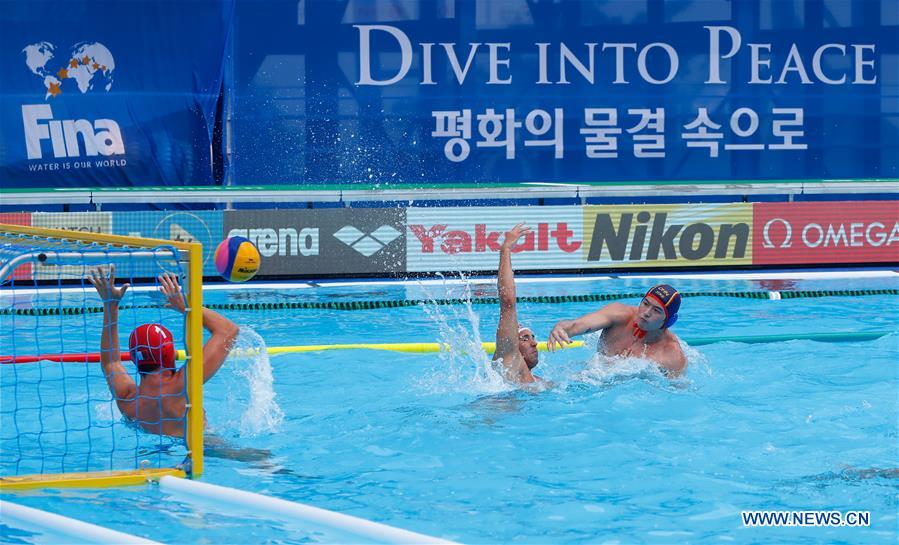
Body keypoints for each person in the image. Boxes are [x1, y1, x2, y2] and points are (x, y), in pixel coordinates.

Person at [89, 266, 240, 436]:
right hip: (205, 448)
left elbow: (111, 361)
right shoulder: (182, 384)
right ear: (169, 353)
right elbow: (228, 330)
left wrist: (110, 306)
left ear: (134, 358)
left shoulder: (128, 399)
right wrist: (187, 307)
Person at [548, 284, 687, 377]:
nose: (646, 313)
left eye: (656, 310)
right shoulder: (619, 315)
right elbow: (577, 325)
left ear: (668, 321)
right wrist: (561, 327)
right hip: (589, 378)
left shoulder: (671, 356)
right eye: (645, 304)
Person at [492, 223, 540, 384]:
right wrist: (505, 249)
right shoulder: (509, 361)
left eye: (532, 337)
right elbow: (508, 303)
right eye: (525, 339)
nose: (534, 343)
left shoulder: (537, 381)